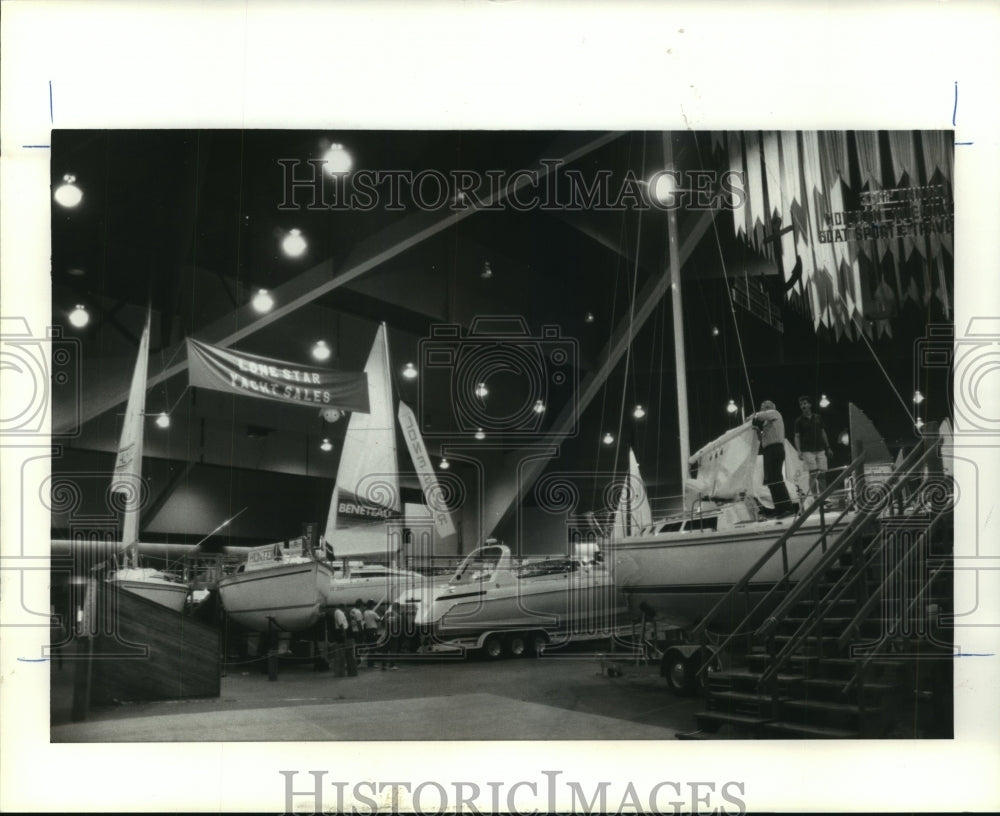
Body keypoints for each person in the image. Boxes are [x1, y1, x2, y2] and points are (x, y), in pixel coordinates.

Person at [751, 399, 796, 517]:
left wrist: (753, 416)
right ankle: (780, 508)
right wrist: (758, 433)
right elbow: (763, 442)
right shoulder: (767, 422)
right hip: (768, 451)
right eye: (762, 407)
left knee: (776, 479)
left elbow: (761, 416)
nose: (764, 409)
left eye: (766, 406)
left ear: (772, 407)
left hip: (775, 449)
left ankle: (787, 508)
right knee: (771, 480)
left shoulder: (775, 414)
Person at [794, 396, 834, 498]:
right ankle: (816, 498)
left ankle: (824, 498)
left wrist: (828, 447)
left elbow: (823, 432)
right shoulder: (798, 421)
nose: (803, 406)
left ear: (810, 405)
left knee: (822, 475)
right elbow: (797, 436)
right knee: (813, 474)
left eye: (805, 403)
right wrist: (798, 451)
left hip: (820, 449)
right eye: (801, 404)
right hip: (807, 451)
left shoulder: (818, 417)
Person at [361, 599, 381, 668]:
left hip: (367, 630)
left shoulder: (365, 612)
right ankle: (371, 664)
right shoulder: (373, 613)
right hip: (373, 630)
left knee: (370, 647)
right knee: (373, 647)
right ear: (371, 605)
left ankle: (369, 663)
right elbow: (379, 619)